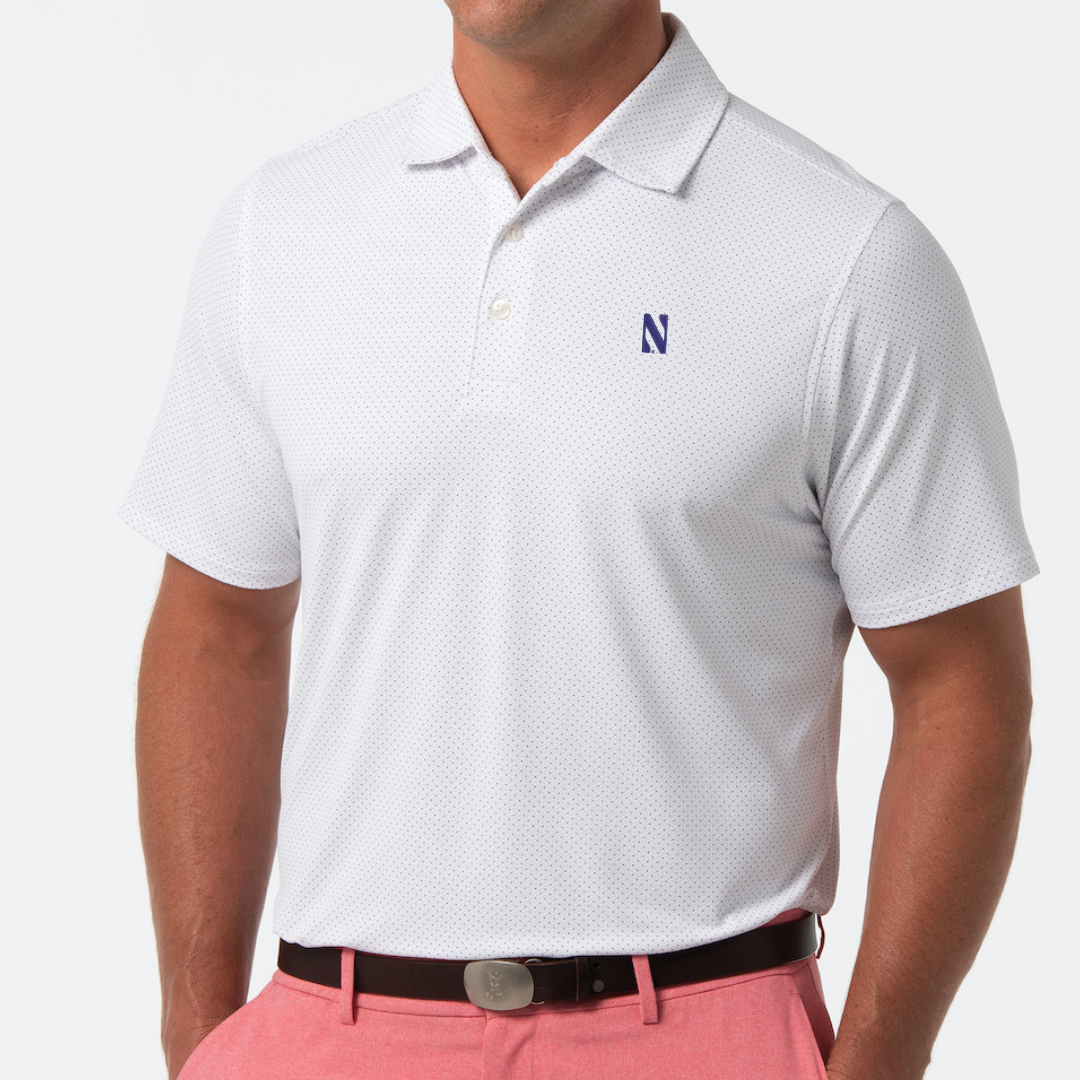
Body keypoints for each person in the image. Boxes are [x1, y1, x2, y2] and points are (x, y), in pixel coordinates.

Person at [119, 3, 1039, 1078]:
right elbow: (218, 628)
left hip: (699, 1033)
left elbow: (963, 686)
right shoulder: (282, 229)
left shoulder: (845, 255)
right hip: (329, 1032)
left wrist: (879, 1059)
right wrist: (200, 1037)